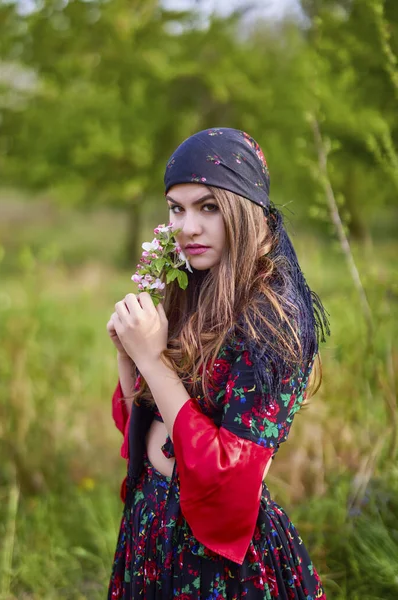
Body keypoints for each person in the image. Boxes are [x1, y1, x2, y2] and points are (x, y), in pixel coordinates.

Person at [106, 127, 330, 599]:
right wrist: (131, 360)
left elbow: (228, 478)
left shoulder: (272, 319)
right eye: (176, 207)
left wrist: (153, 359)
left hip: (216, 559)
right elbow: (148, 424)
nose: (188, 227)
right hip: (155, 527)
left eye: (208, 206)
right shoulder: (195, 286)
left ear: (245, 210)